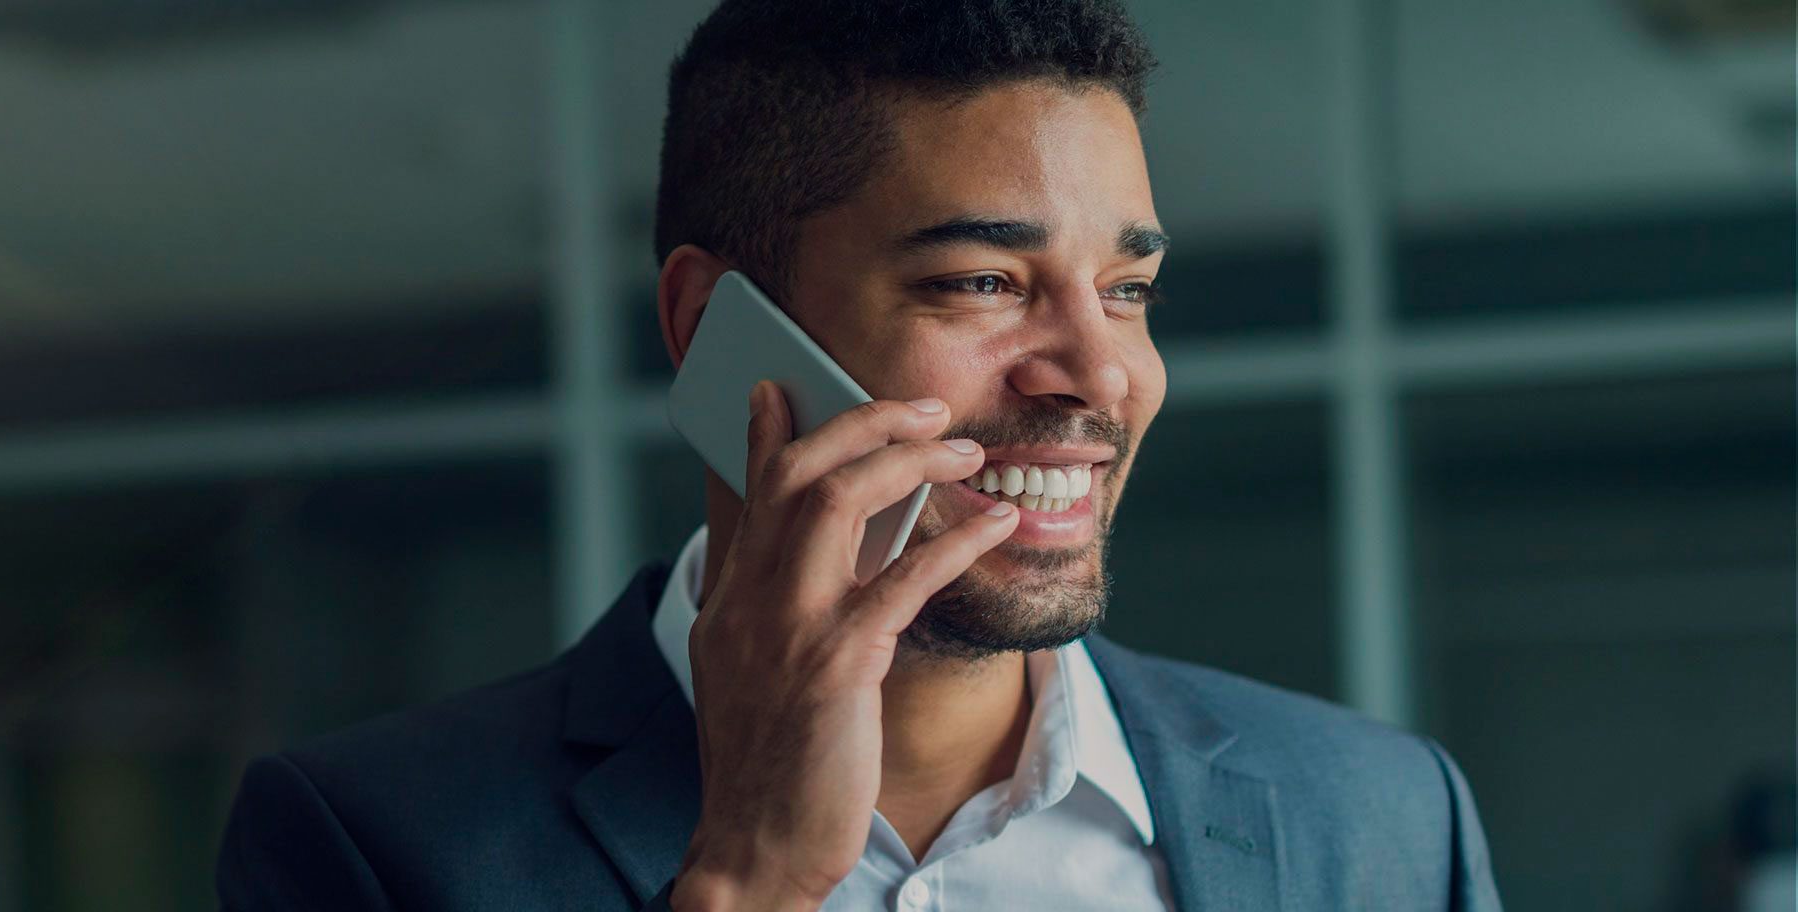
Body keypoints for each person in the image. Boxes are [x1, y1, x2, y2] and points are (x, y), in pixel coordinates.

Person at [213, 1, 1501, 909]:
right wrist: (751, 884)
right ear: (712, 328)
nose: (1101, 374)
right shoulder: (377, 848)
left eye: (1127, 292)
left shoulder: (1384, 819)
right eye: (983, 282)